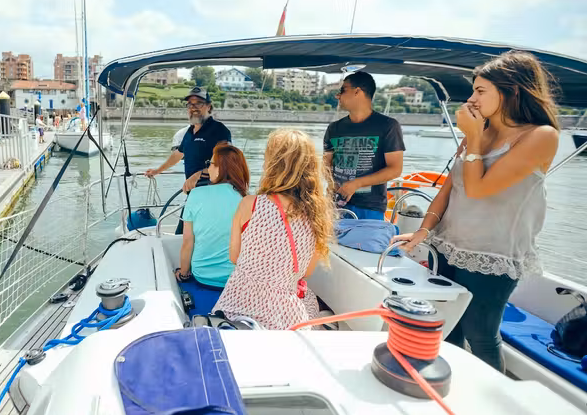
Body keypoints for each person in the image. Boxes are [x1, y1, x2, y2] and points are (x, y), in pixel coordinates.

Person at [392, 51, 560, 372]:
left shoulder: (540, 136)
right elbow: (450, 187)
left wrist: (473, 136)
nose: (471, 99)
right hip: (447, 244)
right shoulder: (481, 133)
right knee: (447, 326)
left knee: (480, 333)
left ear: (511, 91)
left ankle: (494, 405)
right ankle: (453, 388)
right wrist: (424, 230)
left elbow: (478, 188)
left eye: (480, 91)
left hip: (491, 253)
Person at [213, 129, 334, 329]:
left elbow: (234, 257)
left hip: (240, 304)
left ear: (272, 164)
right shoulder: (318, 215)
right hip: (288, 313)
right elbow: (306, 271)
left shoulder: (249, 204)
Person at [176, 143, 250, 316]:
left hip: (202, 276)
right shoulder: (247, 200)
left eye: (211, 163)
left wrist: (183, 273)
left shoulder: (196, 194)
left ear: (221, 168)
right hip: (234, 280)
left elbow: (188, 242)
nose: (208, 167)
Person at [145, 86, 232, 233]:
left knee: (191, 236)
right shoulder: (189, 132)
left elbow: (226, 162)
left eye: (198, 103)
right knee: (183, 235)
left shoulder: (219, 130)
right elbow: (178, 155)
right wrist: (157, 171)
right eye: (190, 104)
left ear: (208, 106)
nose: (193, 108)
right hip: (194, 195)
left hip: (213, 195)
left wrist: (199, 174)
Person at [324, 71, 405, 219]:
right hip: (334, 204)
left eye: (342, 90)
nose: (338, 96)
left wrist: (357, 184)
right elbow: (326, 165)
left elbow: (395, 169)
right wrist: (332, 185)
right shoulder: (334, 128)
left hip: (370, 208)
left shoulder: (388, 126)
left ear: (357, 91)